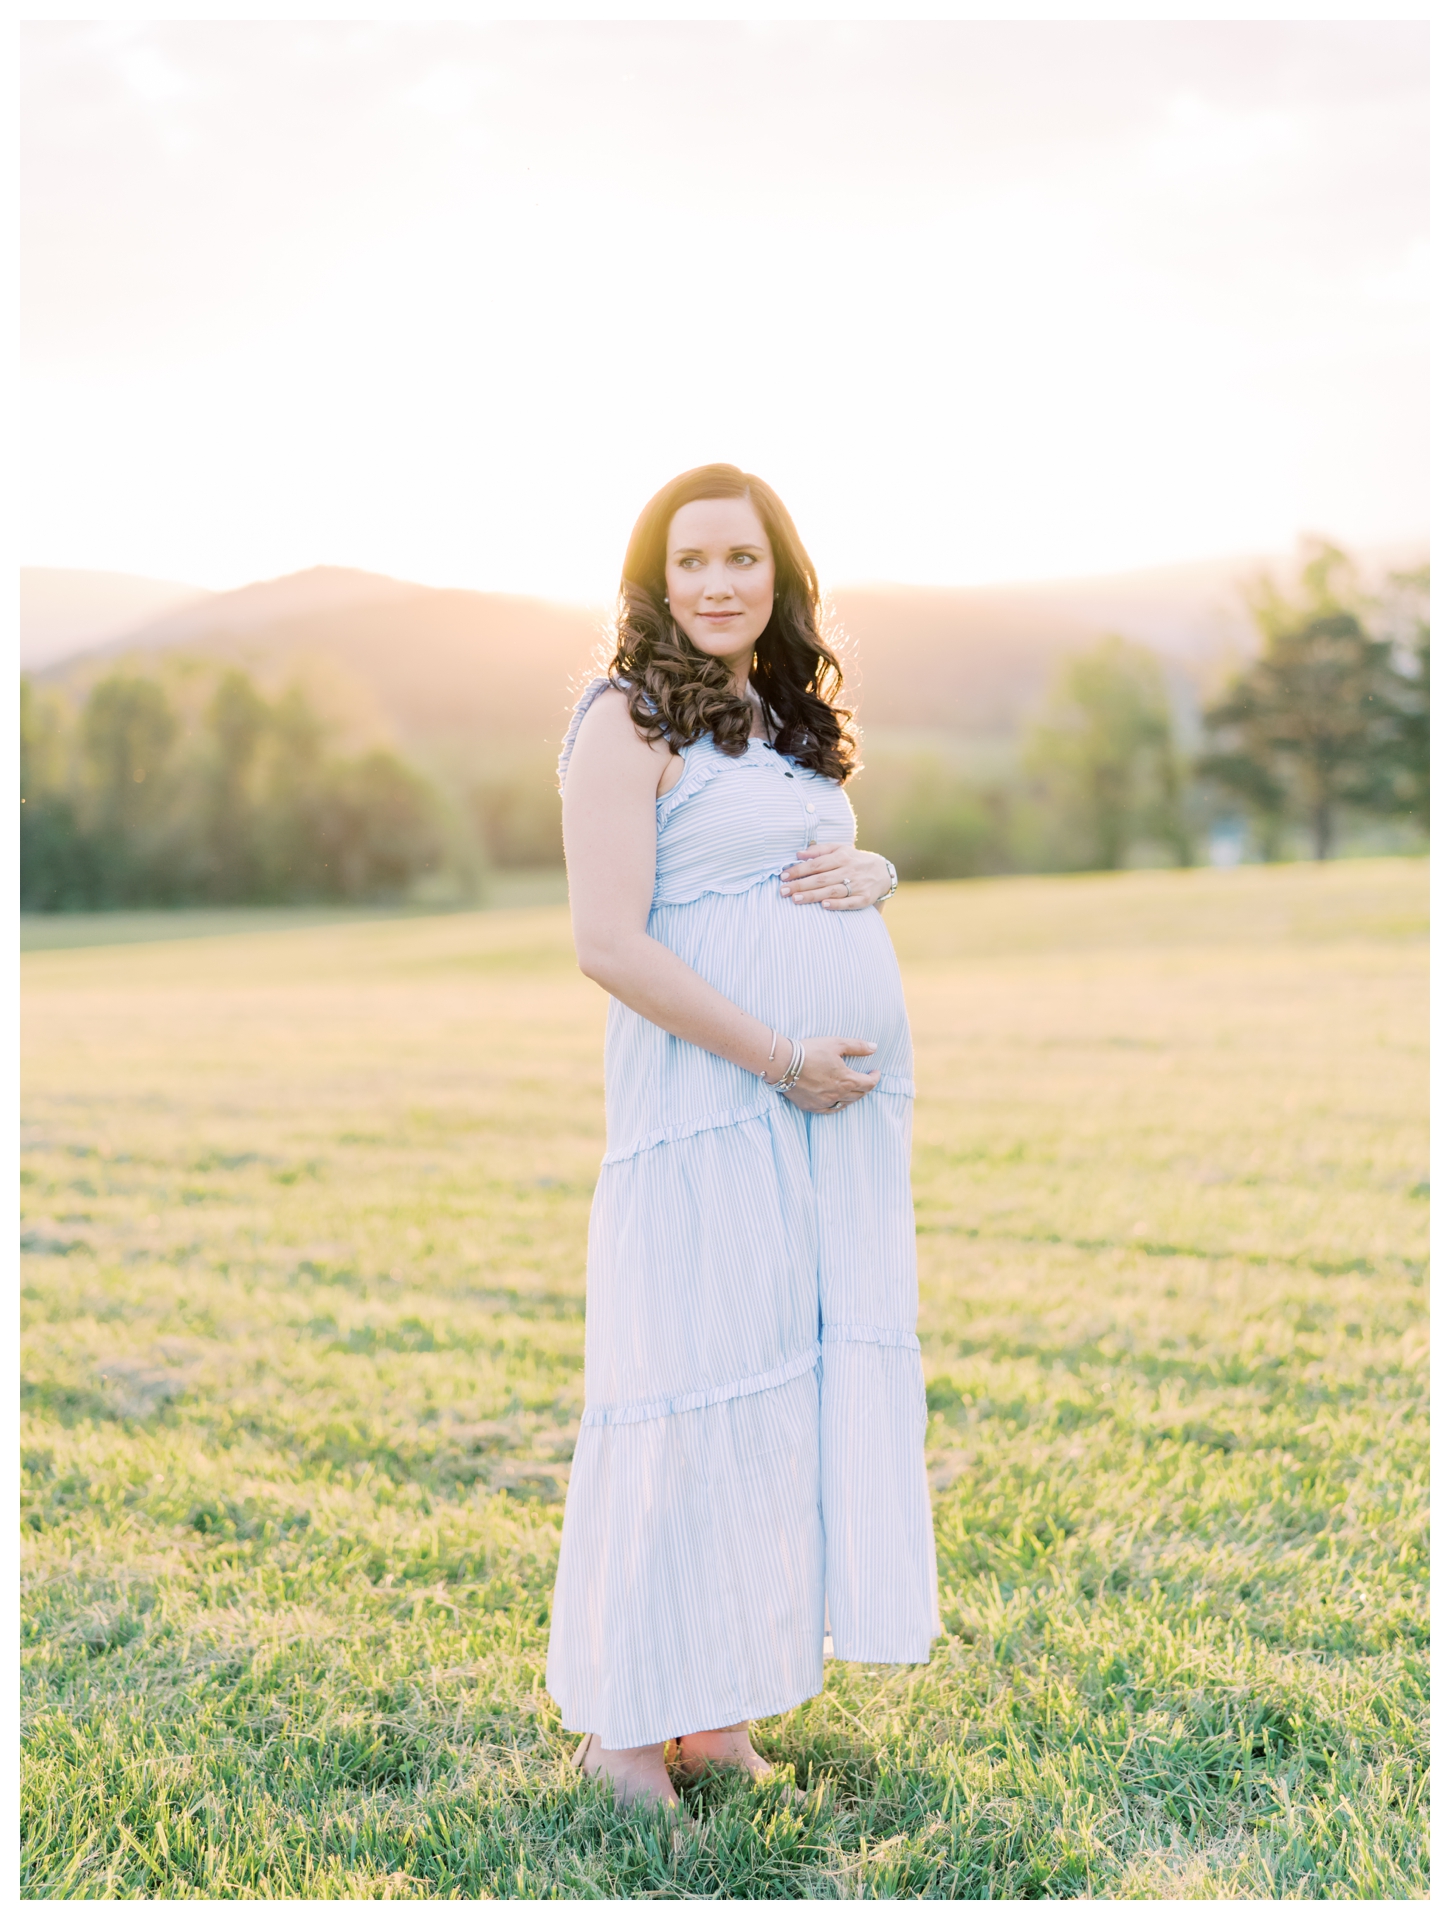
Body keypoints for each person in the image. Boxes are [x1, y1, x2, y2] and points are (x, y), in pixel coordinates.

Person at [547, 464, 938, 1810]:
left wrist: (872, 872)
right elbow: (607, 943)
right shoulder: (624, 716)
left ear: (781, 576)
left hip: (814, 1128)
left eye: (743, 561)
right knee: (687, 1392)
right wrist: (778, 1056)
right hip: (709, 1110)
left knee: (764, 1396)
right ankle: (620, 1730)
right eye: (693, 562)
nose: (719, 585)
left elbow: (793, 866)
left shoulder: (782, 717)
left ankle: (711, 1717)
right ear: (655, 582)